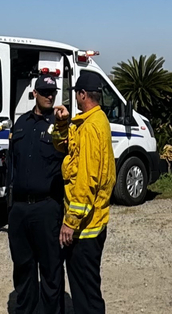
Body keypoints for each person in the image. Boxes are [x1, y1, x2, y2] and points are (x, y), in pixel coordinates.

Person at [6, 75, 69, 314]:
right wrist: (10, 207)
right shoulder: (20, 123)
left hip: (47, 208)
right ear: (35, 93)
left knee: (52, 270)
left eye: (52, 92)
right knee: (23, 268)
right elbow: (11, 165)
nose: (49, 96)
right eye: (44, 92)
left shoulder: (60, 126)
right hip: (20, 210)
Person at [58, 72, 115, 314]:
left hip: (85, 229)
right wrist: (62, 124)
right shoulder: (92, 121)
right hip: (91, 225)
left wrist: (70, 222)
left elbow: (86, 181)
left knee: (86, 294)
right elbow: (66, 147)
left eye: (76, 95)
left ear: (82, 95)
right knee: (86, 289)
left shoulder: (91, 127)